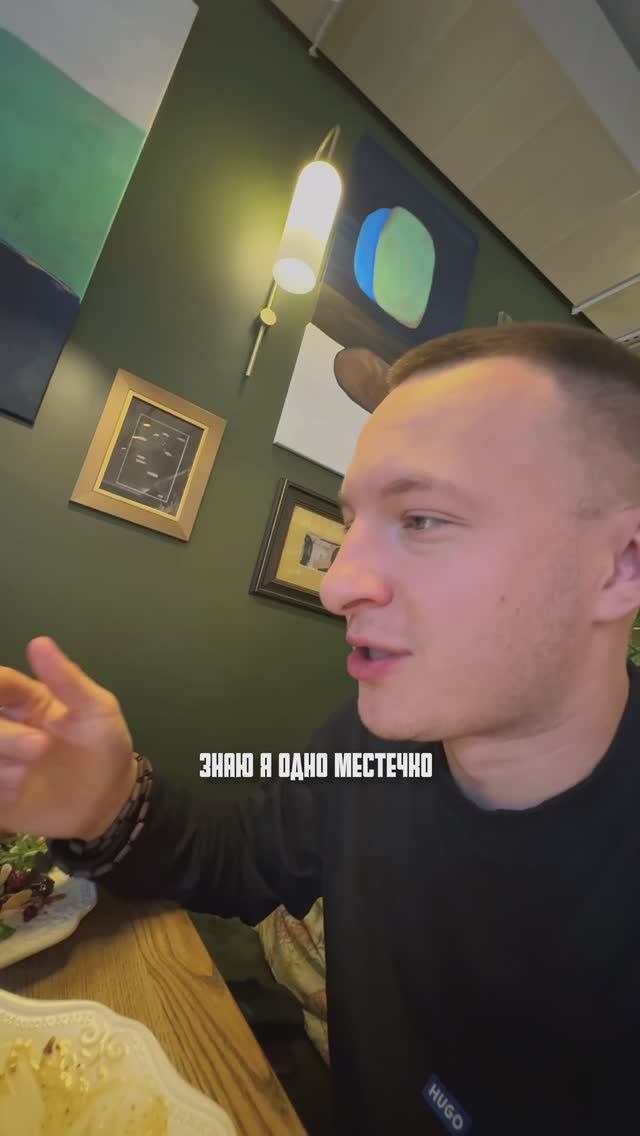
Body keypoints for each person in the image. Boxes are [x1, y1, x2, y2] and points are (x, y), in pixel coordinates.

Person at [1, 322, 640, 1135]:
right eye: (350, 523)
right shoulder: (376, 752)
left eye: (423, 519)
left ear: (622, 565)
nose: (337, 585)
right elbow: (243, 856)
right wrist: (106, 802)